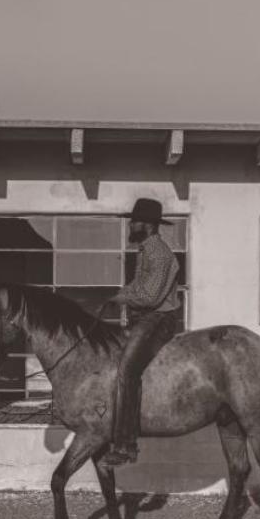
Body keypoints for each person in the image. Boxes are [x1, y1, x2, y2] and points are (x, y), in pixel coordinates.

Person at [102, 198, 183, 466]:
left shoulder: (159, 253)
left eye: (135, 221)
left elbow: (148, 296)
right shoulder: (146, 250)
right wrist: (119, 296)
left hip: (158, 319)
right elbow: (138, 286)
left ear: (147, 225)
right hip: (146, 316)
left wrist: (118, 298)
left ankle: (126, 445)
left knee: (127, 370)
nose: (131, 225)